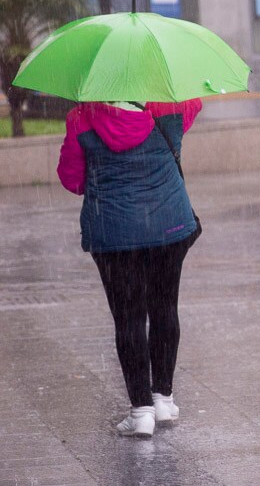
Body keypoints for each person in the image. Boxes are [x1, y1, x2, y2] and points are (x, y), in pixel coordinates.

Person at [57, 99, 203, 438]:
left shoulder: (82, 118)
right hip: (169, 226)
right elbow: (194, 102)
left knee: (129, 319)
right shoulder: (168, 106)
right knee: (165, 308)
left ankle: (141, 412)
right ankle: (163, 398)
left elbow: (72, 180)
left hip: (114, 234)